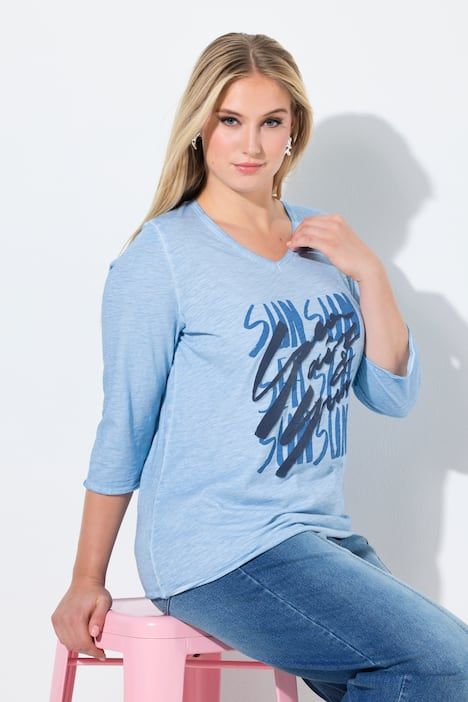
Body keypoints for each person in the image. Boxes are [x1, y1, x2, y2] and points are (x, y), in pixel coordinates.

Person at [51, 32, 468, 701]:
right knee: (446, 663)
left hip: (321, 537)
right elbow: (124, 424)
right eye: (230, 121)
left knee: (439, 672)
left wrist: (369, 271)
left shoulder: (324, 242)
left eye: (270, 122)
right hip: (217, 547)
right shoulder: (163, 257)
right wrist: (84, 578)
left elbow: (391, 395)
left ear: (293, 128)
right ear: (200, 127)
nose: (250, 145)